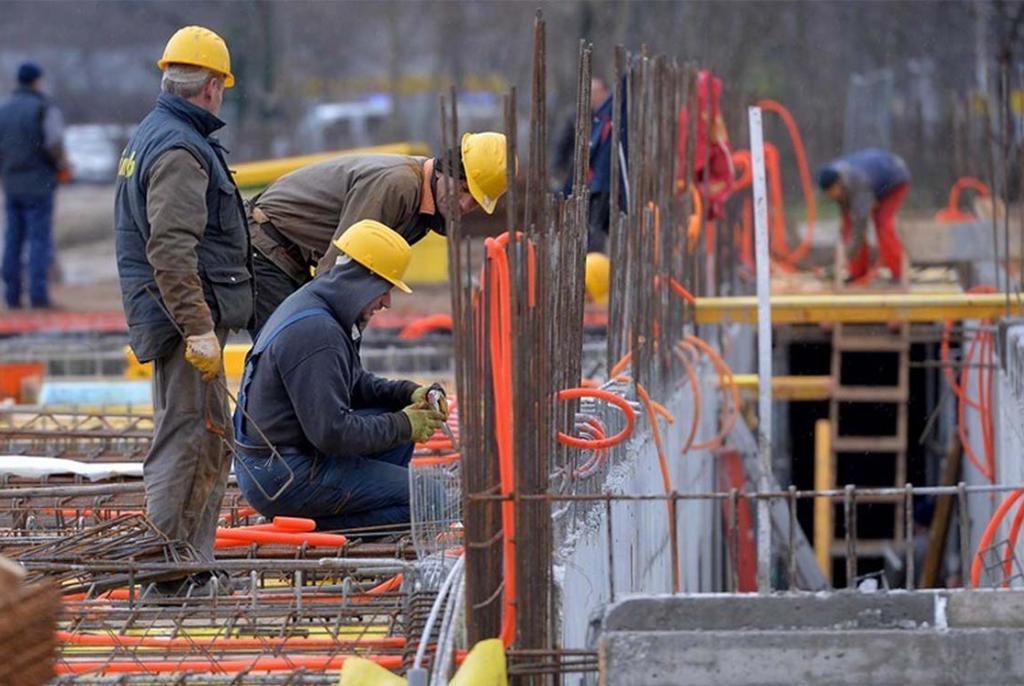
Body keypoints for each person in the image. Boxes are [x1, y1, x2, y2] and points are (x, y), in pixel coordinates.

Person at [114, 26, 252, 592]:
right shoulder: (178, 148)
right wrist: (197, 328)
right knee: (187, 444)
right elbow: (169, 249)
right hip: (181, 322)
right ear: (213, 86)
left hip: (173, 316)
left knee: (206, 439)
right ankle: (167, 578)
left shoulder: (159, 134)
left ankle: (187, 568)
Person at [233, 220, 447, 532]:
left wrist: (407, 394)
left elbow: (354, 384)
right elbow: (332, 433)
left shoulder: (319, 307)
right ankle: (315, 525)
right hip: (282, 476)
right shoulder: (317, 332)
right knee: (431, 500)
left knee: (396, 434)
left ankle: (353, 501)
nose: (387, 302)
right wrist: (403, 424)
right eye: (385, 288)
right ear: (365, 280)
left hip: (279, 463)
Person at [246, 132, 508, 337]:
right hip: (266, 245)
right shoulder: (399, 186)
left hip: (289, 255)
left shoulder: (423, 205)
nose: (463, 205)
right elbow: (341, 265)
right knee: (293, 349)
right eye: (462, 189)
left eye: (474, 201)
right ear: (444, 170)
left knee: (307, 345)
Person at [0, 61, 67, 309]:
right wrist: (63, 166)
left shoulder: (3, 110)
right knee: (39, 240)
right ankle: (38, 296)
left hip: (11, 185)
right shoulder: (43, 108)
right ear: (37, 80)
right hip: (40, 185)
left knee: (12, 239)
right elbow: (54, 143)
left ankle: (11, 296)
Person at [817, 148, 910, 283]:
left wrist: (846, 258)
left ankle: (898, 273)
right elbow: (848, 224)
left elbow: (861, 224)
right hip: (873, 181)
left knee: (882, 223)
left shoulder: (858, 184)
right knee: (849, 227)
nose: (831, 197)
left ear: (838, 185)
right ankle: (857, 272)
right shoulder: (837, 178)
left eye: (832, 193)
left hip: (894, 179)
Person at [558, 77, 623, 253]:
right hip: (582, 183)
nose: (592, 97)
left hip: (604, 184)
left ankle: (596, 261)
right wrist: (562, 171)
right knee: (582, 226)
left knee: (599, 228)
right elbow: (563, 147)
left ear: (606, 93)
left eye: (595, 92)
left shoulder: (613, 119)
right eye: (590, 93)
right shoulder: (577, 118)